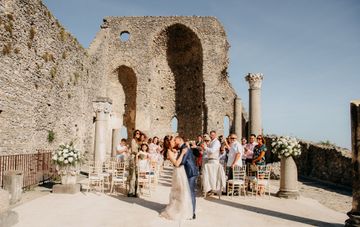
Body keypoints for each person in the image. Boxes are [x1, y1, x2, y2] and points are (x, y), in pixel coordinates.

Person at [160, 135, 195, 220]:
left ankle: (185, 209)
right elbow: (176, 163)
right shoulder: (169, 151)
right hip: (178, 171)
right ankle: (179, 210)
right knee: (179, 191)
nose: (174, 142)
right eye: (173, 141)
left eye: (175, 140)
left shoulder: (175, 149)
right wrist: (182, 153)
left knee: (184, 191)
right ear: (169, 143)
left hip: (182, 171)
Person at [128, 129, 141, 197]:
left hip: (139, 159)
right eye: (136, 133)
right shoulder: (133, 140)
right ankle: (131, 191)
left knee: (137, 175)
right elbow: (133, 150)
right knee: (132, 175)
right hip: (133, 158)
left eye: (138, 133)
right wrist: (138, 153)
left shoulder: (140, 142)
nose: (137, 134)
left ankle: (136, 192)